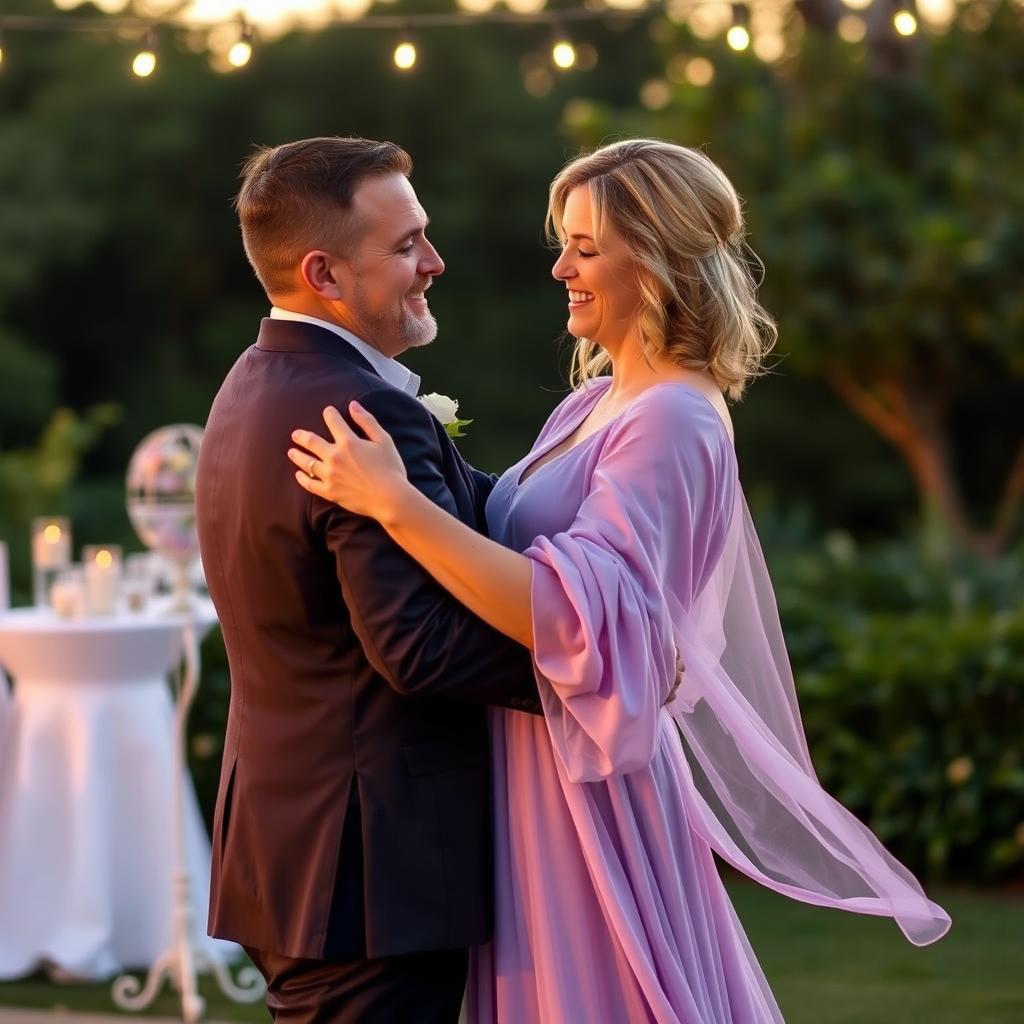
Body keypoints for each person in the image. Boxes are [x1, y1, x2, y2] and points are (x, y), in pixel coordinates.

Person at [288, 138, 952, 1023]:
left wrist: (398, 506)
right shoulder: (596, 401)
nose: (561, 267)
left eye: (587, 249)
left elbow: (570, 612)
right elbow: (519, 532)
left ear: (663, 258)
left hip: (584, 792)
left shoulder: (676, 418)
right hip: (530, 766)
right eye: (564, 243)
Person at [195, 136, 541, 1024]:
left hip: (295, 845)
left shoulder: (251, 382)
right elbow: (415, 648)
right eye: (404, 246)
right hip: (368, 868)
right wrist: (595, 666)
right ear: (325, 273)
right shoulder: (360, 408)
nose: (436, 261)